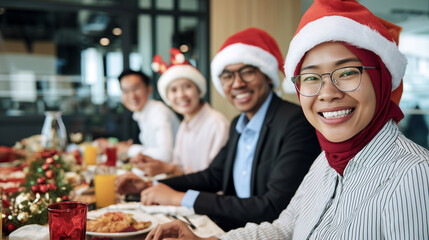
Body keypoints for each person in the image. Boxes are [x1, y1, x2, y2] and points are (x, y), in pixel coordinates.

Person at [144, 0, 429, 239]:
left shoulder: (414, 175)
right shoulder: (326, 161)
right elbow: (285, 228)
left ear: (381, 78)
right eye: (311, 77)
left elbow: (268, 207)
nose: (327, 93)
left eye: (347, 72)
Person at [116, 27, 320, 231]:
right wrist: (150, 186)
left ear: (267, 75)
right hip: (233, 228)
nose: (237, 83)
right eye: (227, 76)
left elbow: (273, 207)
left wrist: (180, 198)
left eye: (247, 72)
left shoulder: (295, 121)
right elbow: (213, 176)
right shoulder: (238, 124)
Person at [129, 48, 230, 176]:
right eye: (174, 90)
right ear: (168, 98)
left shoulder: (216, 123)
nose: (181, 95)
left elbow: (213, 178)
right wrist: (154, 164)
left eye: (187, 87)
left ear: (199, 90)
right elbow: (178, 168)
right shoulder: (184, 125)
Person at [98, 69, 180, 163]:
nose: (132, 96)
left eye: (136, 89)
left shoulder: (158, 112)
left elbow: (166, 155)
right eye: (125, 91)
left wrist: (128, 149)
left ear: (149, 89)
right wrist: (121, 147)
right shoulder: (141, 114)